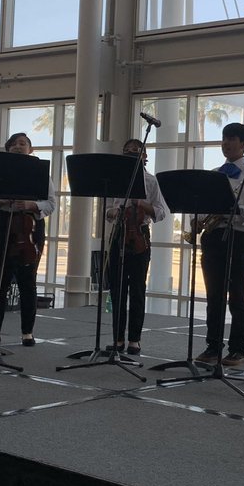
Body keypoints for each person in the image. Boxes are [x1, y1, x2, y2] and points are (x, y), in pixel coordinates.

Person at [197, 123, 244, 368]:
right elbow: (202, 202)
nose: (226, 143)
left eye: (231, 139)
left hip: (237, 237)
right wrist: (198, 219)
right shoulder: (215, 172)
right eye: (224, 138)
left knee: (237, 295)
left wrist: (232, 212)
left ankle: (237, 349)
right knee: (214, 295)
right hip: (213, 236)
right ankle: (213, 346)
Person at [0, 132, 56, 347]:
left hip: (30, 230)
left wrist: (30, 205)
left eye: (23, 143)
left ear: (31, 149)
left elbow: (51, 203)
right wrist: (0, 201)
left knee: (28, 283)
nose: (18, 146)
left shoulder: (40, 172)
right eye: (14, 144)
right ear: (8, 149)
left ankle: (27, 332)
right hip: (3, 226)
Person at [104, 139, 169, 356]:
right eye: (127, 151)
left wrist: (141, 204)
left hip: (140, 236)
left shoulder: (150, 181)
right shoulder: (116, 179)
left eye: (136, 151)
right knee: (117, 289)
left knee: (137, 290)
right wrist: (114, 212)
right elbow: (109, 211)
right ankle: (118, 338)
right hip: (119, 234)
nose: (132, 154)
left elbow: (161, 212)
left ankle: (134, 340)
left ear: (144, 156)